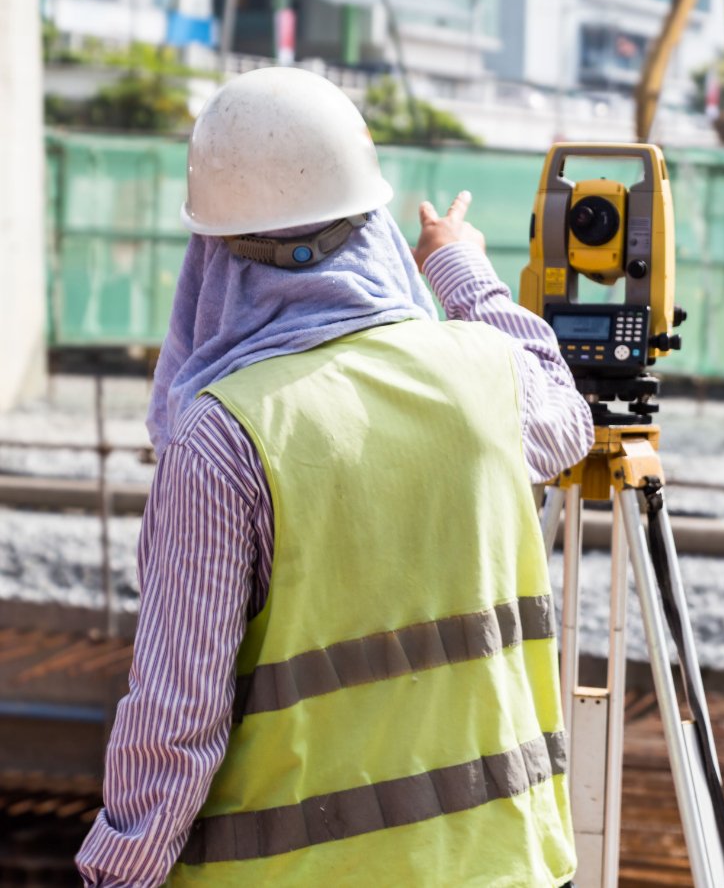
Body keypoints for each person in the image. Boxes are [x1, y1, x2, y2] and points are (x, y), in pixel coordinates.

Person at [74, 67, 593, 887]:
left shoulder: (222, 438)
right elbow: (567, 414)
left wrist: (116, 874)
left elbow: (178, 721)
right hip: (503, 867)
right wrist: (460, 270)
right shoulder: (488, 375)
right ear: (372, 224)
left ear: (212, 254)